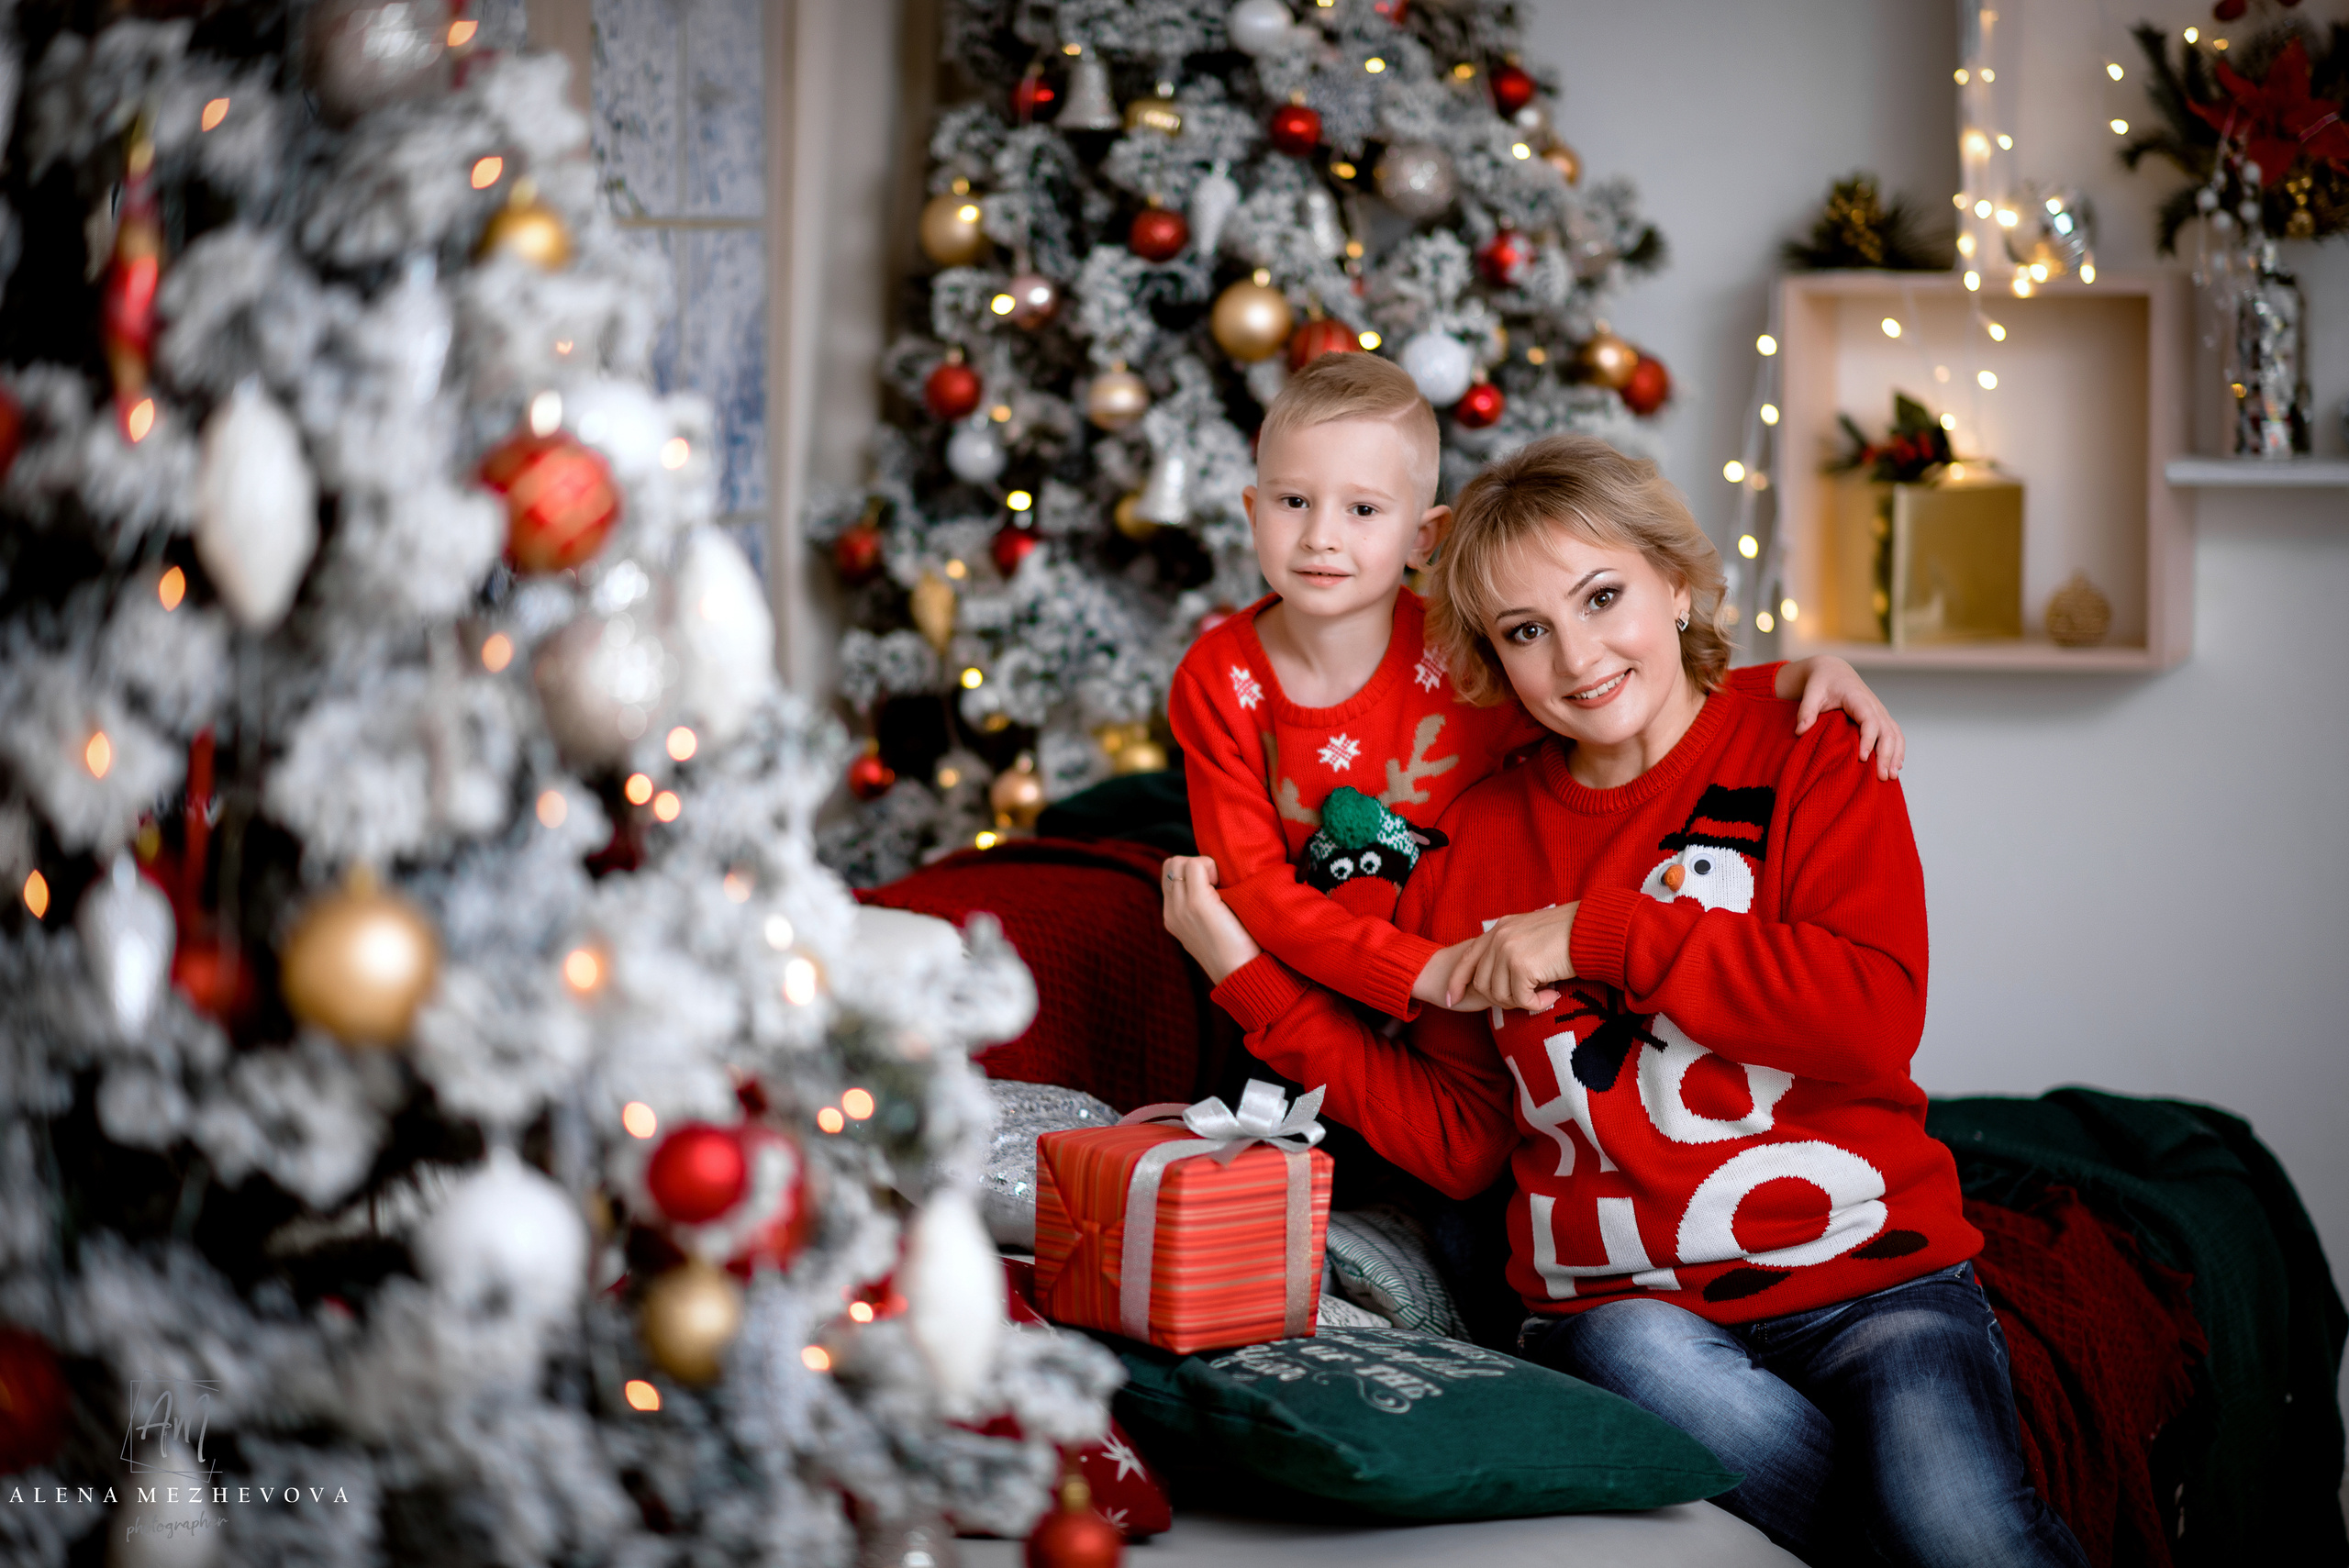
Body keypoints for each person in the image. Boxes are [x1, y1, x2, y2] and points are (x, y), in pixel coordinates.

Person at [1161, 433, 2087, 1568]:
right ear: (1495, 661)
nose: (1577, 654)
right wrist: (1248, 979)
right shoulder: (1473, 845)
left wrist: (1596, 933)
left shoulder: (1811, 748)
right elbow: (1459, 1140)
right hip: (1628, 1311)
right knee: (1646, 1355)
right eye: (1525, 631)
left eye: (1602, 597)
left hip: (1870, 1275)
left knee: (1956, 1522)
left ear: (1679, 583)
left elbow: (1871, 1015)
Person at [1163, 351, 1902, 1020]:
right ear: (1252, 512)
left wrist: (1787, 677)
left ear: (1422, 538)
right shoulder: (1218, 680)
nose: (1321, 536)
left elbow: (1613, 698)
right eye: (1294, 502)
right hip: (1325, 985)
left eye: (1361, 509)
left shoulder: (1455, 652)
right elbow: (1254, 888)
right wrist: (1419, 970)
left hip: (1474, 982)